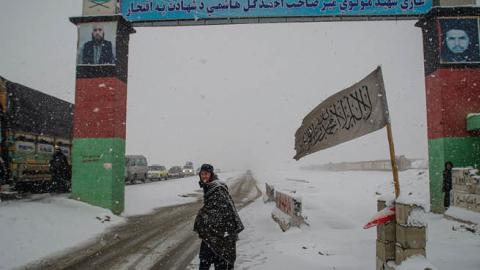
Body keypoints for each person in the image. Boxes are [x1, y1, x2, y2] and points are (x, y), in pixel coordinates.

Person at [194, 164, 244, 270]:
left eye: (206, 174)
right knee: (208, 261)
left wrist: (202, 215)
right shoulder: (210, 186)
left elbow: (223, 210)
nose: (204, 176)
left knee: (215, 262)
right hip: (212, 234)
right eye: (202, 174)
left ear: (211, 174)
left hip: (220, 234)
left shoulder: (217, 188)